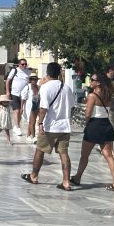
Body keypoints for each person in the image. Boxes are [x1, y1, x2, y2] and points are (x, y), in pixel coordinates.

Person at [21, 61, 75, 190]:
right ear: (59, 73)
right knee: (64, 153)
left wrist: (40, 123)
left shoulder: (45, 87)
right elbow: (72, 108)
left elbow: (43, 108)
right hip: (64, 127)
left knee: (40, 150)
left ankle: (34, 176)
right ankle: (66, 181)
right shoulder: (66, 88)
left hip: (50, 126)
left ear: (47, 73)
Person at [71, 72, 114, 192]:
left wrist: (87, 124)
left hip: (94, 125)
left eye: (92, 80)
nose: (90, 81)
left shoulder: (92, 96)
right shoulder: (108, 94)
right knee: (109, 156)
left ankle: (77, 177)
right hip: (106, 125)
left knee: (84, 155)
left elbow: (87, 114)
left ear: (98, 82)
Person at [6, 58, 31, 137]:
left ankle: (16, 125)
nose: (24, 66)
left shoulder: (28, 72)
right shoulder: (15, 71)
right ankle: (17, 127)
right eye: (22, 64)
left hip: (24, 95)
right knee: (16, 110)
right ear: (19, 64)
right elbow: (8, 81)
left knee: (21, 111)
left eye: (25, 64)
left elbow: (30, 82)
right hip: (14, 93)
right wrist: (8, 91)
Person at [21, 74, 41, 143]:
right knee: (32, 122)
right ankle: (33, 136)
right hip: (29, 106)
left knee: (32, 121)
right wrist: (21, 108)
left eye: (36, 79)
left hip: (36, 105)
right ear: (30, 80)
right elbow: (23, 98)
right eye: (33, 79)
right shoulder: (27, 87)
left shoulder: (38, 87)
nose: (35, 80)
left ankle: (28, 135)